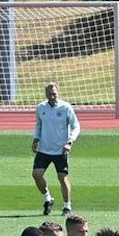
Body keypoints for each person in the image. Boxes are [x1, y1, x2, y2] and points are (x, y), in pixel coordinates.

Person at [31, 82, 80, 216]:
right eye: (49, 94)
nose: (52, 96)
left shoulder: (66, 107)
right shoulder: (41, 107)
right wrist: (36, 138)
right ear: (46, 94)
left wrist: (70, 142)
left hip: (60, 150)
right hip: (44, 149)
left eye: (54, 93)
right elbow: (38, 125)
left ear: (58, 93)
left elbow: (76, 126)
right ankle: (48, 198)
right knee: (36, 174)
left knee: (62, 177)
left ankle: (67, 206)